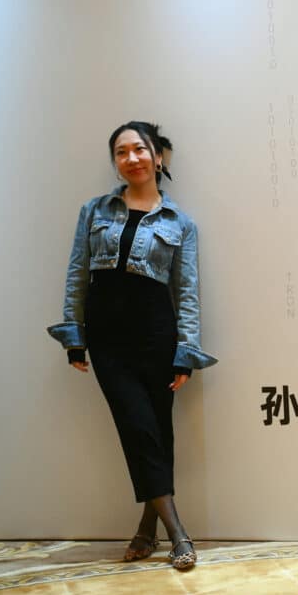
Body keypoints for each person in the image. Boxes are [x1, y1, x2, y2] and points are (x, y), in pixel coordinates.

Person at [48, 121, 217, 570]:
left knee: (158, 432)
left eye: (139, 149)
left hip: (158, 335)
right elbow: (76, 273)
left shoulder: (180, 222)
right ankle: (179, 533)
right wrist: (74, 336)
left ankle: (146, 530)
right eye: (121, 152)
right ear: (116, 162)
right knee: (138, 427)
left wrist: (187, 350)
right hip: (108, 338)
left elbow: (187, 292)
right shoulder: (94, 210)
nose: (132, 158)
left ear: (158, 157)